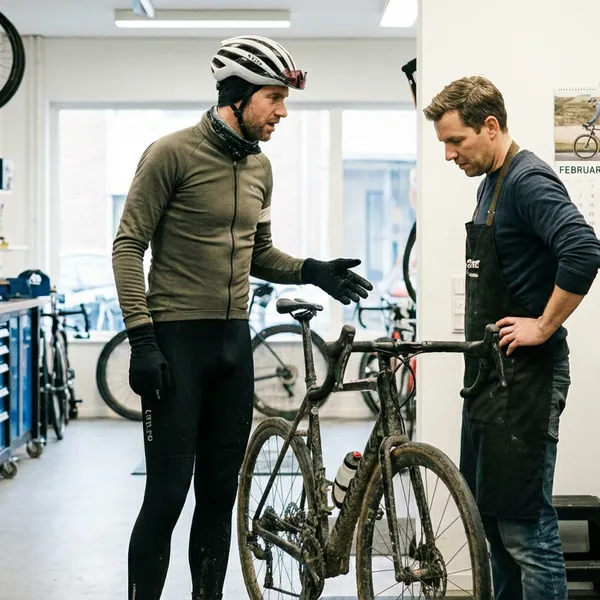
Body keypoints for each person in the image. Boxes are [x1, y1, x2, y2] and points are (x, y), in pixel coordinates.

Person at [112, 34, 373, 600]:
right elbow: (128, 246)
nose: (282, 112)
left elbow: (260, 254)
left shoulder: (260, 168)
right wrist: (142, 339)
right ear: (237, 95)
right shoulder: (170, 154)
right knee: (167, 495)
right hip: (175, 343)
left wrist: (312, 270)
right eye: (274, 98)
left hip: (234, 343)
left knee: (218, 498)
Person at [424, 76, 600, 600]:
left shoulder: (528, 181)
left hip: (527, 383)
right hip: (490, 381)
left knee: (526, 530)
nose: (449, 154)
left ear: (490, 126)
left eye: (456, 141)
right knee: (494, 523)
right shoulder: (490, 183)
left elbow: (584, 250)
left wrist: (543, 325)